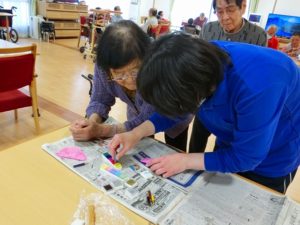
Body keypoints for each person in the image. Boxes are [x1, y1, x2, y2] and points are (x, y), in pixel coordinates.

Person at [109, 33, 300, 194]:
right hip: (231, 141)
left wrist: (186, 160)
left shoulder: (257, 85)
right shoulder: (193, 67)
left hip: (274, 157)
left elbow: (247, 157)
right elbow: (175, 109)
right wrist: (135, 134)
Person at [70, 21, 190, 151]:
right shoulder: (104, 65)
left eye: (135, 71)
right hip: (135, 111)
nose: (129, 81)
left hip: (174, 112)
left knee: (175, 146)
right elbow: (100, 99)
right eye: (119, 74)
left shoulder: (158, 63)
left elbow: (148, 117)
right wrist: (92, 123)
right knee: (143, 146)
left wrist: (100, 131)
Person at [190, 0, 268, 154]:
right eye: (219, 11)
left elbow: (257, 74)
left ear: (243, 7)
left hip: (234, 104)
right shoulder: (208, 29)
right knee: (196, 142)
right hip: (207, 99)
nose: (224, 17)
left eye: (230, 9)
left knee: (223, 147)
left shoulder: (258, 35)